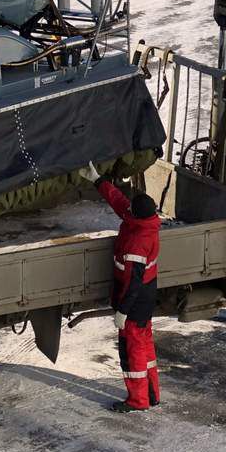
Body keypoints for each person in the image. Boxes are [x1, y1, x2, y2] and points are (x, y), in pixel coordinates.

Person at [84, 162, 162, 412]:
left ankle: (138, 401)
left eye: (131, 209)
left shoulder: (139, 242)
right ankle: (151, 394)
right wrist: (97, 180)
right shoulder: (144, 222)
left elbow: (133, 283)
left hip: (136, 300)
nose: (127, 209)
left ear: (137, 215)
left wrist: (123, 311)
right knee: (145, 346)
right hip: (146, 296)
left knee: (133, 352)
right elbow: (119, 202)